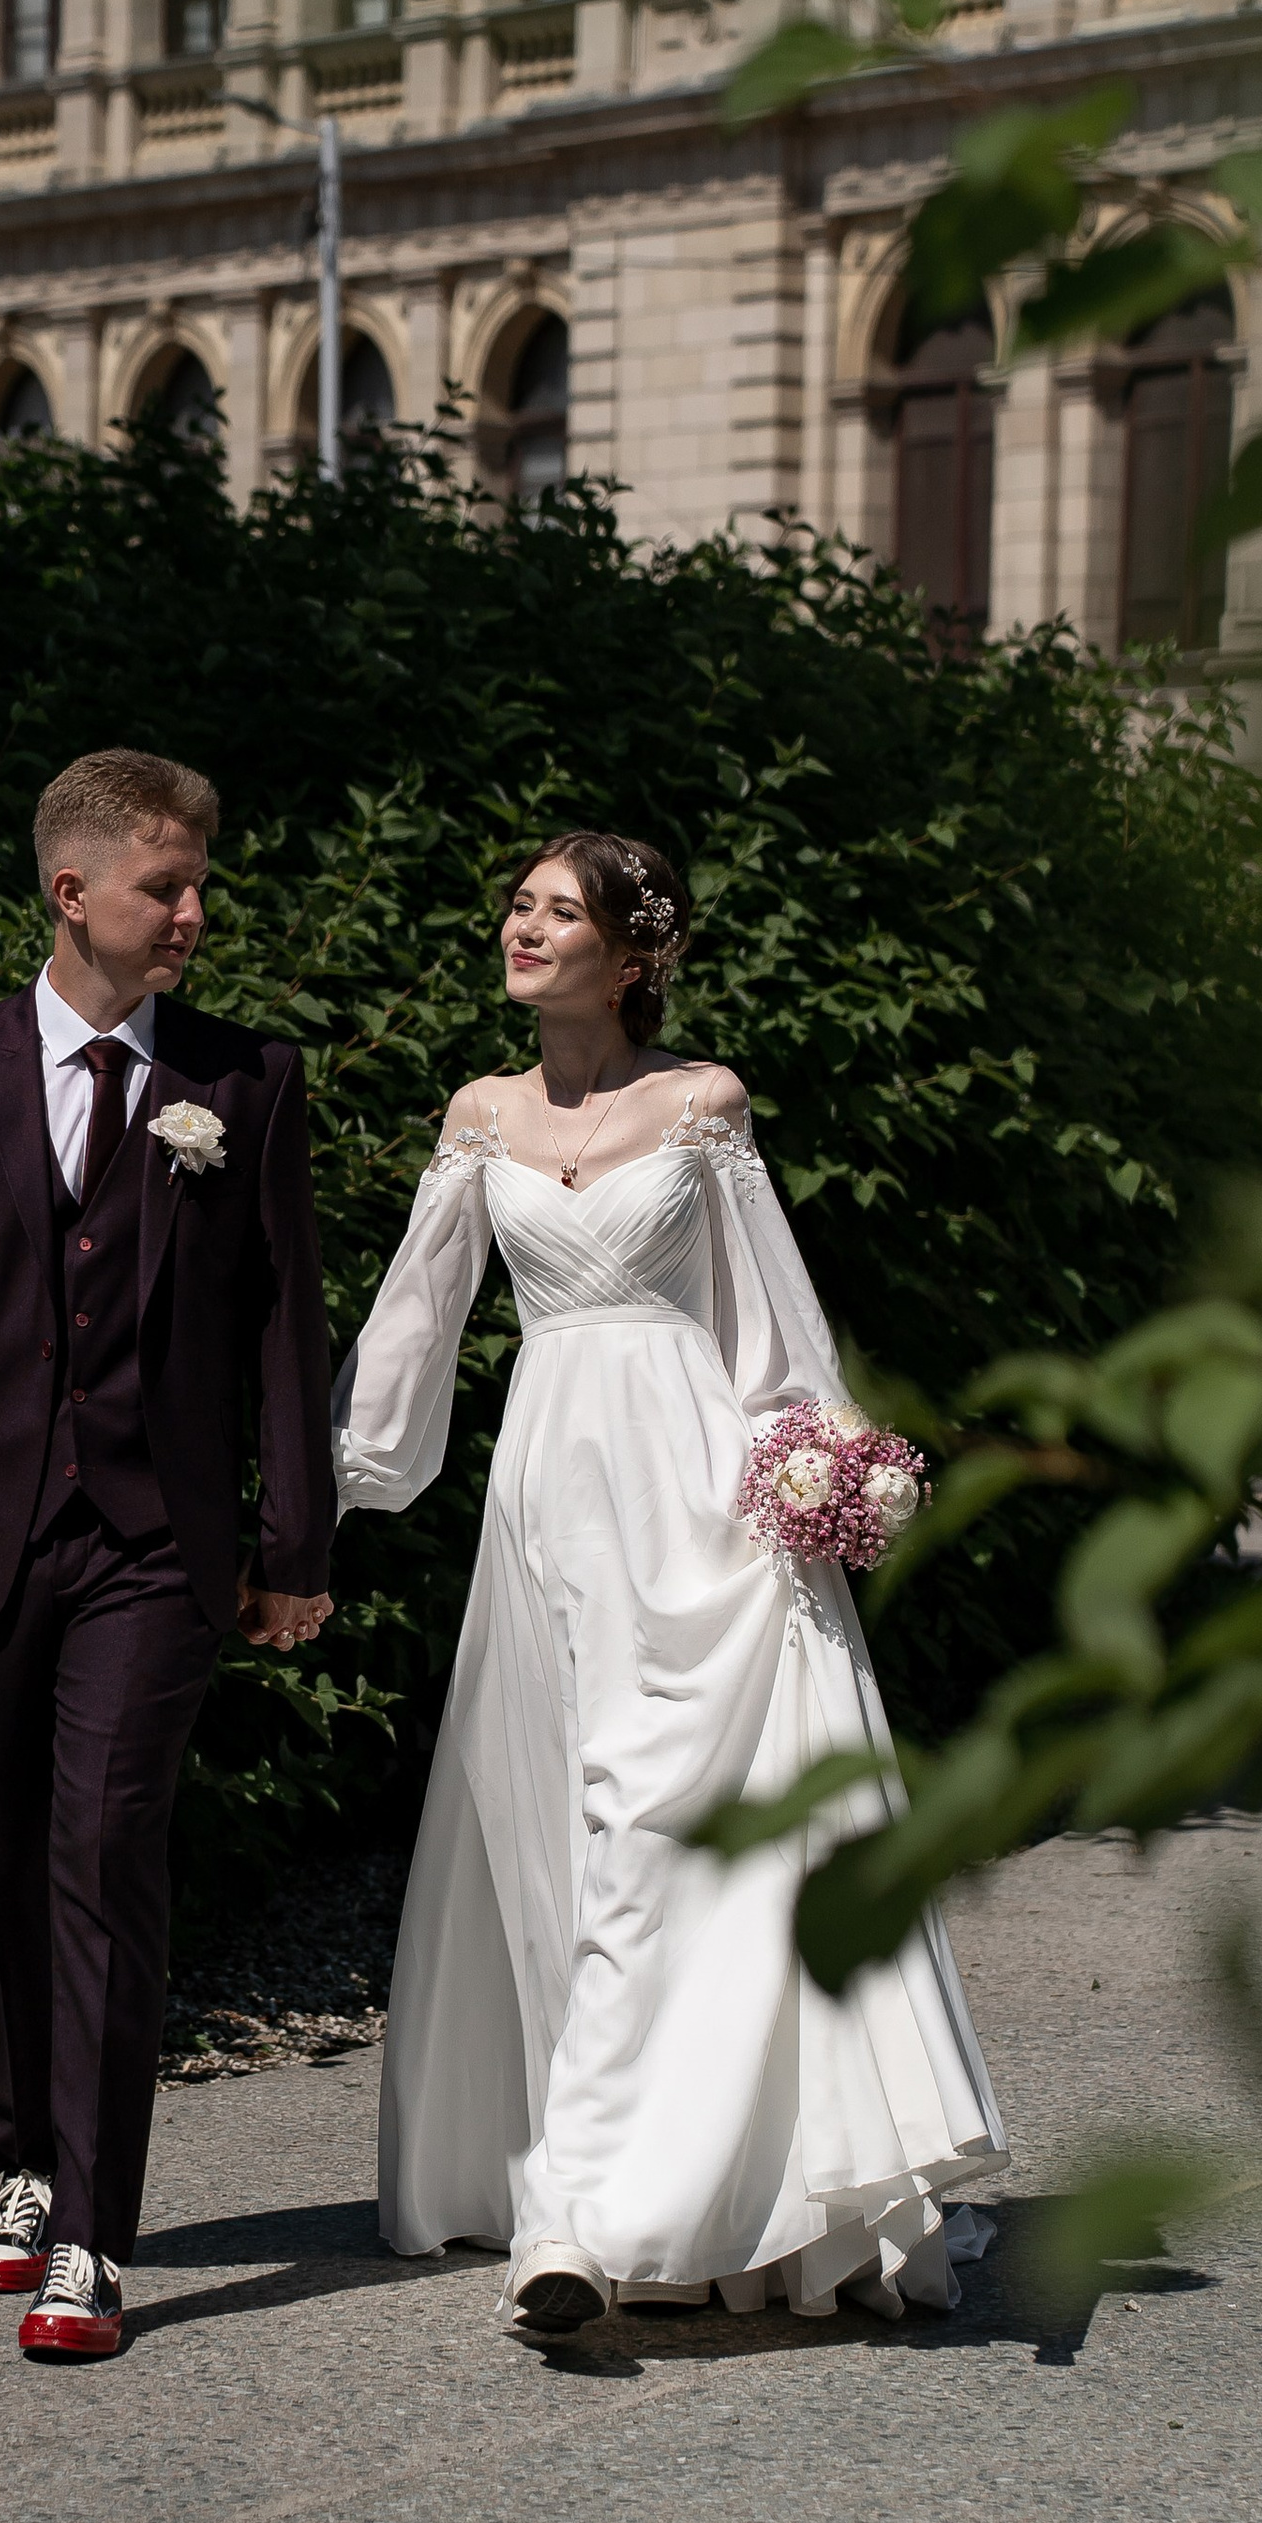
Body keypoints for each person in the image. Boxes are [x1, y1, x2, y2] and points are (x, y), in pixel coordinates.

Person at [332, 828, 1005, 2336]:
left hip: (696, 1503)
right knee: (573, 1836)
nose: (523, 926)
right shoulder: (479, 1115)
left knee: (656, 1832)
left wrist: (824, 1472)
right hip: (550, 1501)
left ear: (630, 955)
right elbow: (414, 1324)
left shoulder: (703, 1104)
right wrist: (340, 1485)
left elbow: (772, 1330)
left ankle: (584, 2218)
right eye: (516, 902)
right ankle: (612, 2185)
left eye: (558, 911)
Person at [0, 747, 334, 2362]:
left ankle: (95, 2234)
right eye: (165, 886)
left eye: (200, 885)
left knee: (106, 1850)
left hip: (155, 1547)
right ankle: (20, 2162)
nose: (192, 913)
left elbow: (284, 1332)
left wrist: (292, 1541)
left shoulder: (248, 1081)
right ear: (69, 890)